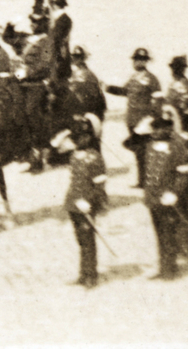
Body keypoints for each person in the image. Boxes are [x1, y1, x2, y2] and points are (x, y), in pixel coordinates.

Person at [143, 114, 188, 280]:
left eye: (159, 128)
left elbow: (184, 174)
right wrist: (140, 128)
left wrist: (175, 193)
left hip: (168, 197)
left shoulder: (177, 147)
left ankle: (170, 269)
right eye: (153, 128)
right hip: (153, 198)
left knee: (169, 233)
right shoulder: (150, 145)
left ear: (169, 129)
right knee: (160, 234)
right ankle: (164, 267)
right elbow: (129, 143)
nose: (154, 132)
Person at [64, 118, 109, 288]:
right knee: (81, 241)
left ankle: (91, 275)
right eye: (75, 139)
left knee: (88, 240)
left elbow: (100, 184)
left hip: (87, 205)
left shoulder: (94, 157)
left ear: (88, 138)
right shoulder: (74, 156)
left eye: (81, 138)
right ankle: (83, 274)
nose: (77, 142)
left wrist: (89, 202)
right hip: (74, 203)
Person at [108, 47, 161, 187]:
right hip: (132, 120)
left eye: (140, 60)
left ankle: (146, 181)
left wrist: (152, 119)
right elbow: (124, 91)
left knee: (142, 151)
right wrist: (107, 88)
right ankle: (142, 181)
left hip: (143, 122)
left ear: (145, 61)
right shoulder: (133, 78)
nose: (137, 62)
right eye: (136, 59)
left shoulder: (151, 79)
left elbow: (158, 100)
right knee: (139, 152)